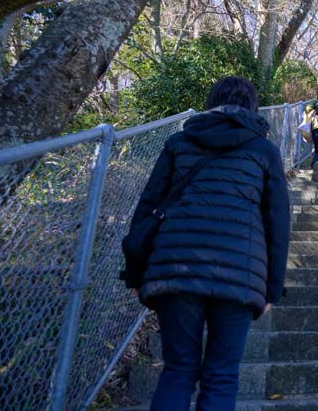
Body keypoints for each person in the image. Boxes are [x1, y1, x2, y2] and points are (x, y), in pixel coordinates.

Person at [121, 76, 291, 411]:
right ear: (253, 107)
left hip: (175, 270)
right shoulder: (264, 150)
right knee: (222, 374)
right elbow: (278, 223)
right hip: (240, 276)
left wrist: (137, 275)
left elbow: (147, 209)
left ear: (210, 101)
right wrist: (271, 289)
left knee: (178, 370)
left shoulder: (179, 142)